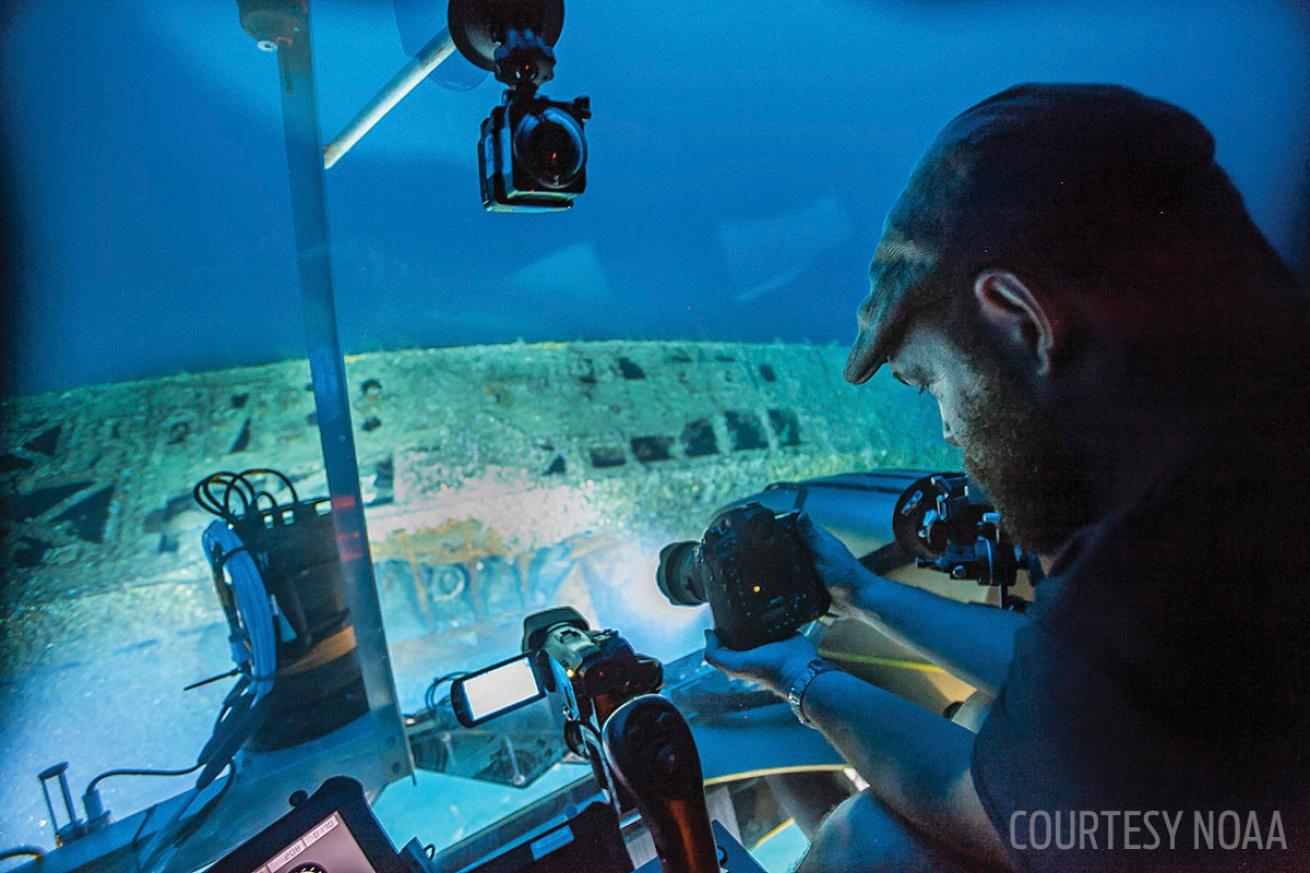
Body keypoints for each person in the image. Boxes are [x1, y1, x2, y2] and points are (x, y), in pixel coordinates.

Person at [703, 83, 1310, 871]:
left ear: (1022, 318)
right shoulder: (1231, 490)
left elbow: (979, 804)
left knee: (869, 844)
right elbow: (1059, 661)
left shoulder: (1162, 582)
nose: (951, 433)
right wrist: (862, 590)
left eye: (935, 384)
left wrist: (799, 677)